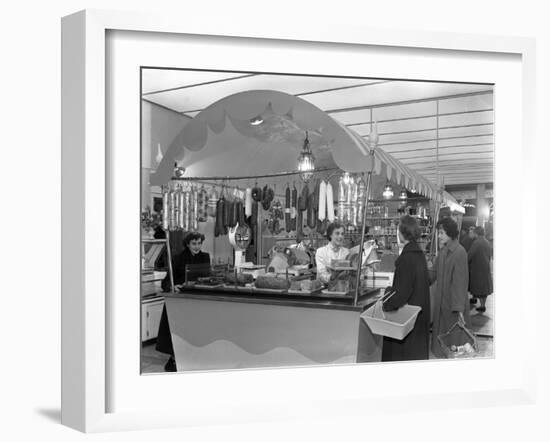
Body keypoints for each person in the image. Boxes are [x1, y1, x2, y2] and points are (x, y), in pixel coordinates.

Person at [156, 232, 210, 372]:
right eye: (194, 243)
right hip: (180, 299)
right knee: (177, 331)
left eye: (199, 243)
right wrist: (172, 286)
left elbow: (208, 277)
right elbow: (167, 281)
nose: (197, 247)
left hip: (197, 299)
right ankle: (174, 358)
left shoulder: (205, 257)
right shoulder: (178, 258)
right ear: (187, 244)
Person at [381, 215, 431, 361]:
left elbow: (401, 293)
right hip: (419, 313)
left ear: (402, 233)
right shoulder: (419, 254)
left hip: (408, 319)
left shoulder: (406, 258)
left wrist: (387, 300)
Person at [429, 217, 472, 358]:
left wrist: (459, 310)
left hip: (453, 308)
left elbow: (460, 283)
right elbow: (432, 274)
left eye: (441, 233)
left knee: (455, 345)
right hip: (442, 305)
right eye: (438, 233)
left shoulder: (460, 252)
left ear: (450, 233)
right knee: (443, 343)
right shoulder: (442, 252)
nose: (439, 236)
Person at [468, 226, 493, 312]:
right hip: (485, 267)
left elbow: (470, 255)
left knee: (479, 288)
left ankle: (482, 306)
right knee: (484, 288)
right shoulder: (487, 242)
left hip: (477, 268)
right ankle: (483, 305)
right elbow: (490, 255)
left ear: (477, 233)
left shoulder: (476, 242)